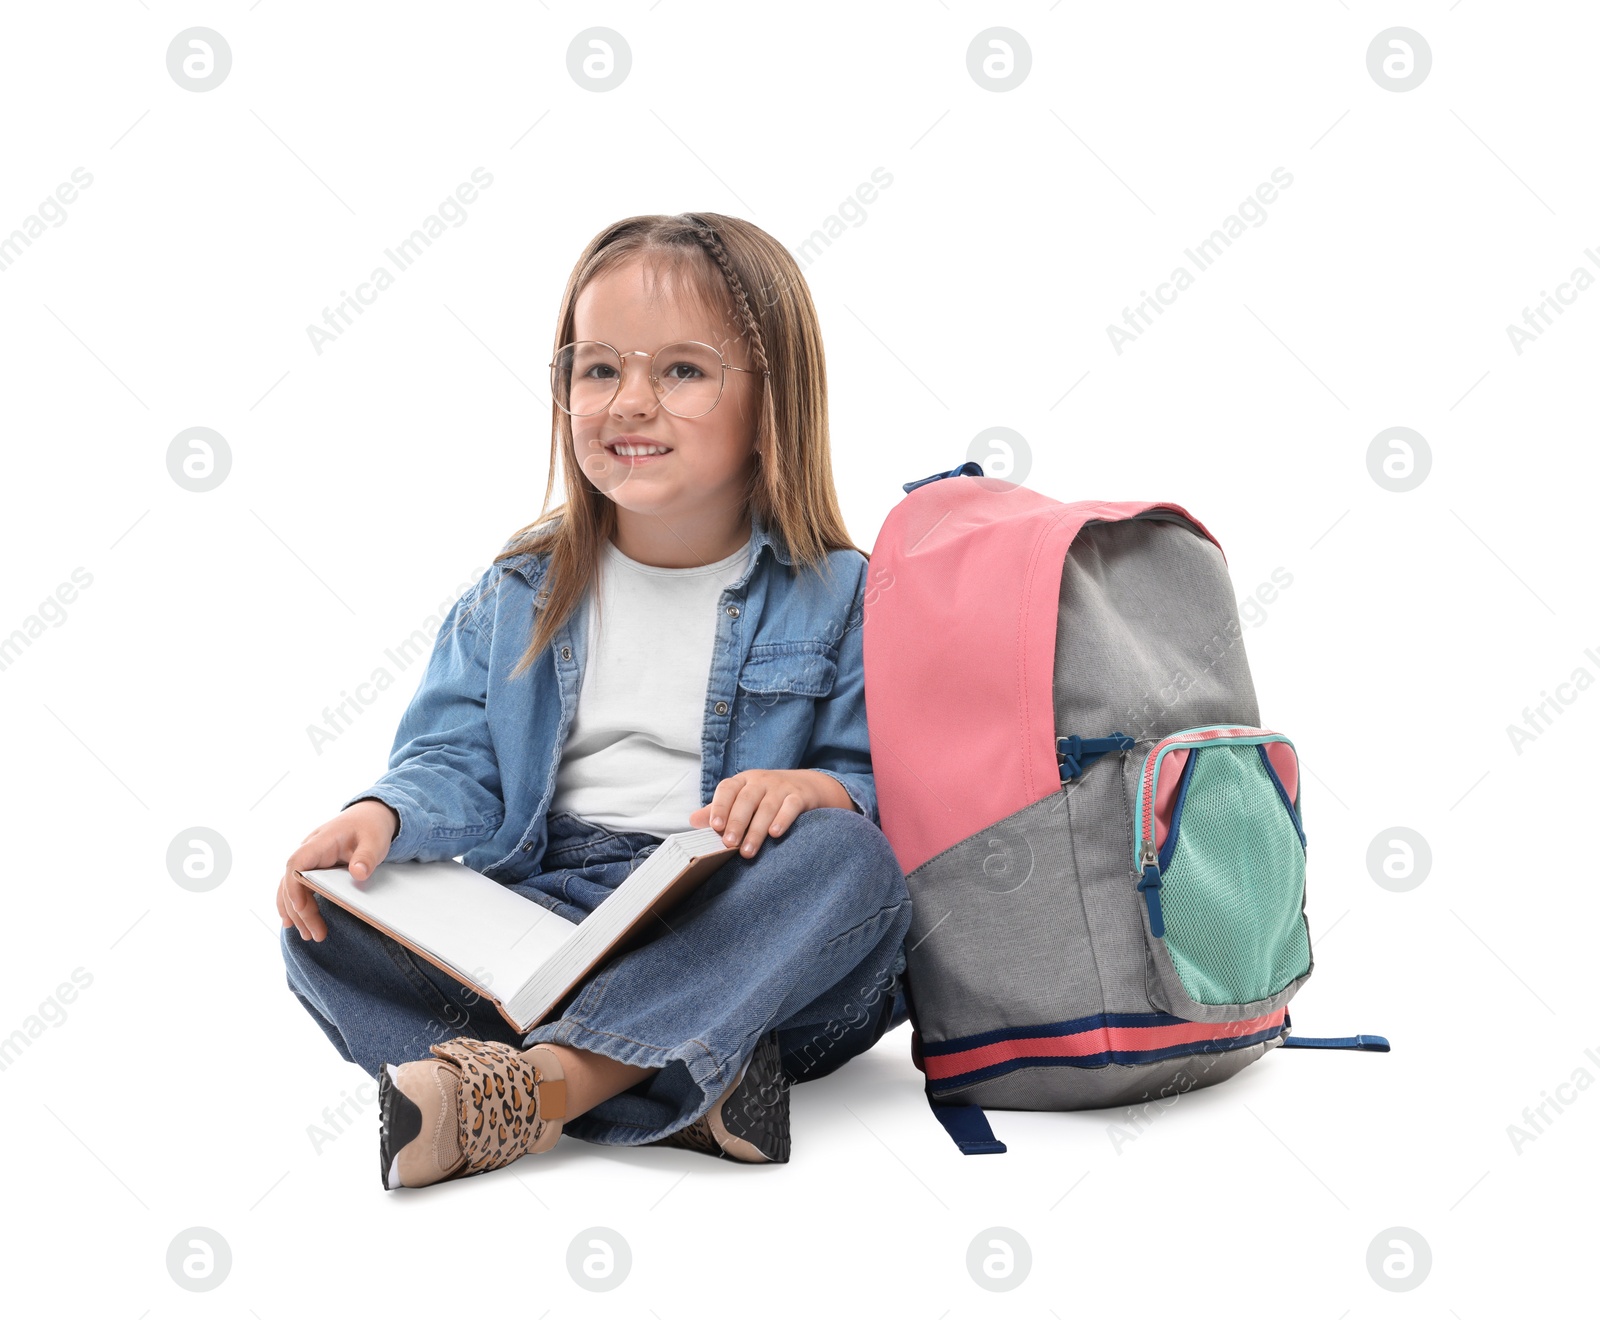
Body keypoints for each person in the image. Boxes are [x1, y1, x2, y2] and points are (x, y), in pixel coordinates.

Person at [276, 212, 913, 1190]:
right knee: (323, 916)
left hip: (727, 910)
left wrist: (815, 793)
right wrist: (381, 814)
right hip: (550, 901)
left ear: (770, 402)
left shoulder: (840, 594)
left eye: (683, 372)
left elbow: (881, 785)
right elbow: (454, 760)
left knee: (849, 864)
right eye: (600, 369)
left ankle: (542, 1089)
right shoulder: (518, 592)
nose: (631, 403)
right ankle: (678, 1085)